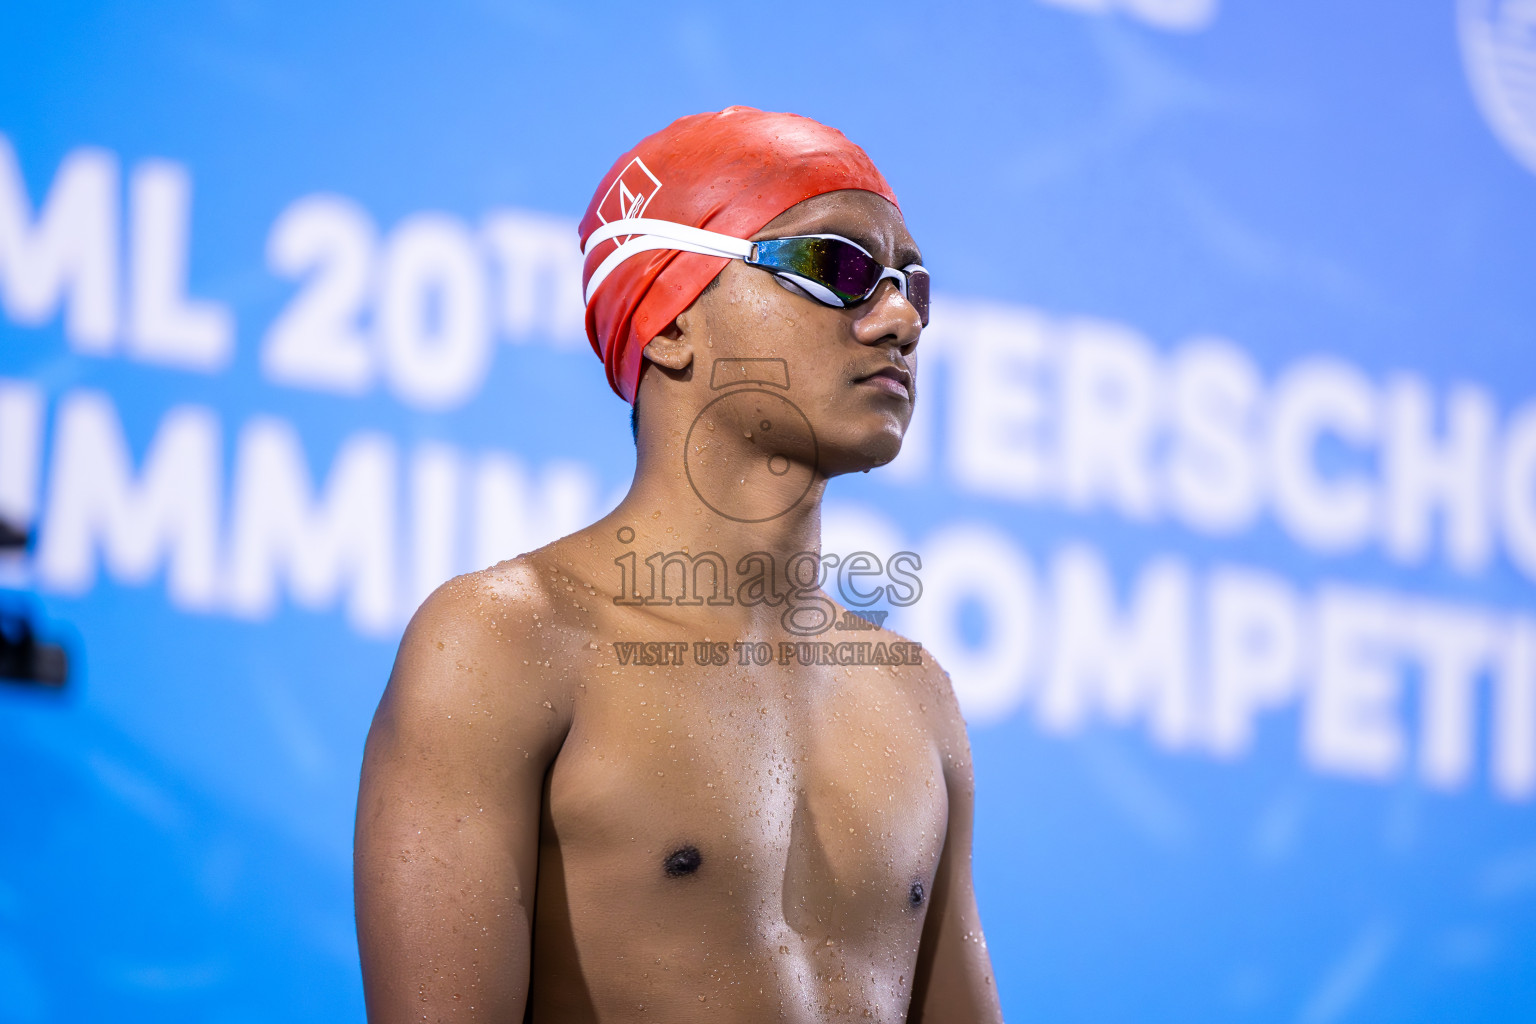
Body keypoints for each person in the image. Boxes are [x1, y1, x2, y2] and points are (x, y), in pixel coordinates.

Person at [354, 106, 1003, 1023]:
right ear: (668, 321)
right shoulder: (504, 645)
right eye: (837, 268)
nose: (897, 318)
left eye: (913, 287)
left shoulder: (914, 695)